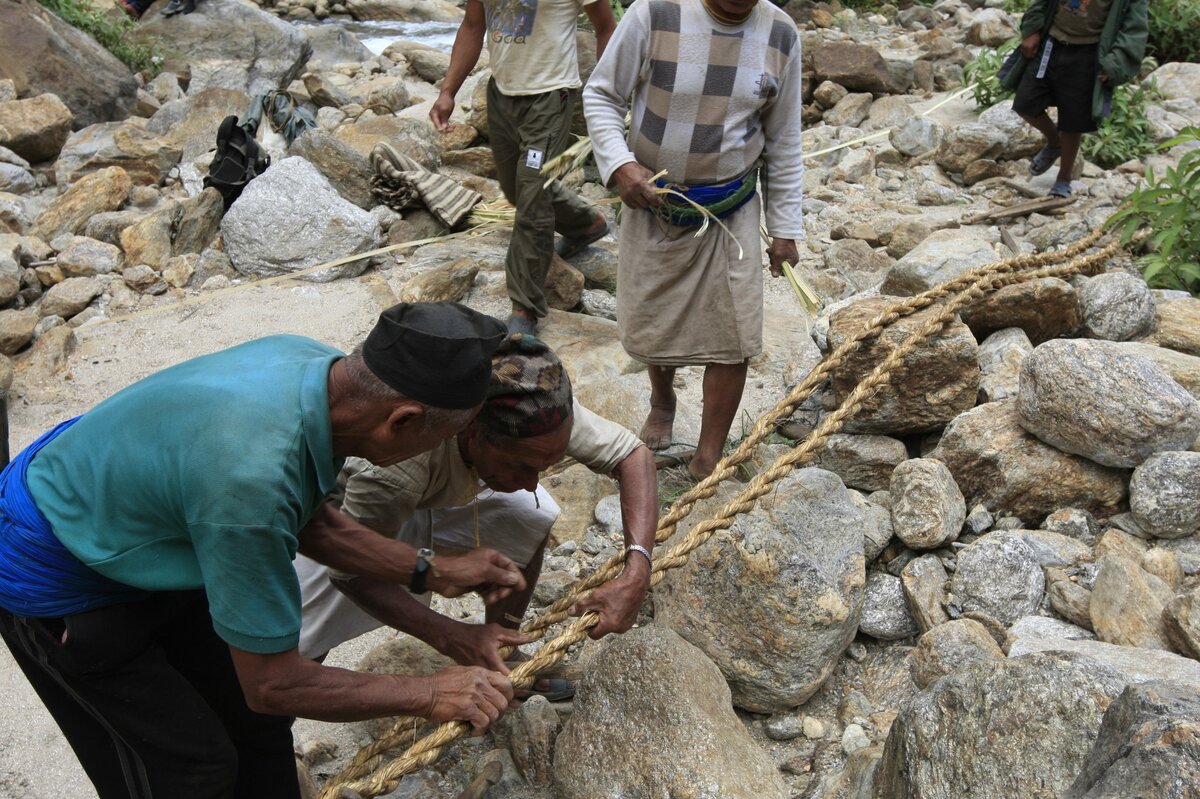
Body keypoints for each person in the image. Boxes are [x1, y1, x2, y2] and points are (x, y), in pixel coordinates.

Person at [0, 302, 529, 799]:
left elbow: (307, 518)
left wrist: (426, 570)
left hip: (153, 533)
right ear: (404, 420)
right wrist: (432, 694)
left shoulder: (312, 368)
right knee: (189, 767)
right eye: (447, 436)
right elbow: (275, 683)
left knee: (256, 730)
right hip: (55, 576)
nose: (439, 450)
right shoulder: (249, 485)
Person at [297, 334, 658, 692]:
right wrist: (450, 634)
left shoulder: (532, 403)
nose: (533, 483)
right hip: (344, 517)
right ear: (471, 432)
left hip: (446, 478)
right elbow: (348, 571)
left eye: (546, 465)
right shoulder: (393, 469)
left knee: (529, 513)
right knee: (302, 639)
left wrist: (637, 570)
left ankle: (500, 648)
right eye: (523, 466)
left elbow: (632, 456)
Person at [582, 0, 804, 480]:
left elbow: (784, 139)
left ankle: (708, 457)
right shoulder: (654, 14)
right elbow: (602, 94)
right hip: (656, 203)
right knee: (654, 322)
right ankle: (663, 399)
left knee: (735, 334)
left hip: (733, 209)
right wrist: (620, 164)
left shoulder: (781, 34)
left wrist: (786, 228)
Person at [430, 0, 618, 336]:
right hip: (502, 94)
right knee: (517, 189)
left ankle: (524, 309)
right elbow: (473, 27)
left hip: (551, 96)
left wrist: (604, 95)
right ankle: (587, 222)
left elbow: (606, 28)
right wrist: (448, 91)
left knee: (532, 200)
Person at [1011, 0, 1149, 197]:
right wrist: (1032, 30)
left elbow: (1134, 29)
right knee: (1025, 103)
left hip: (1088, 53)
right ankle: (1055, 142)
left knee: (1073, 121)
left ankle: (1064, 178)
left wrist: (1115, 62)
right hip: (1051, 44)